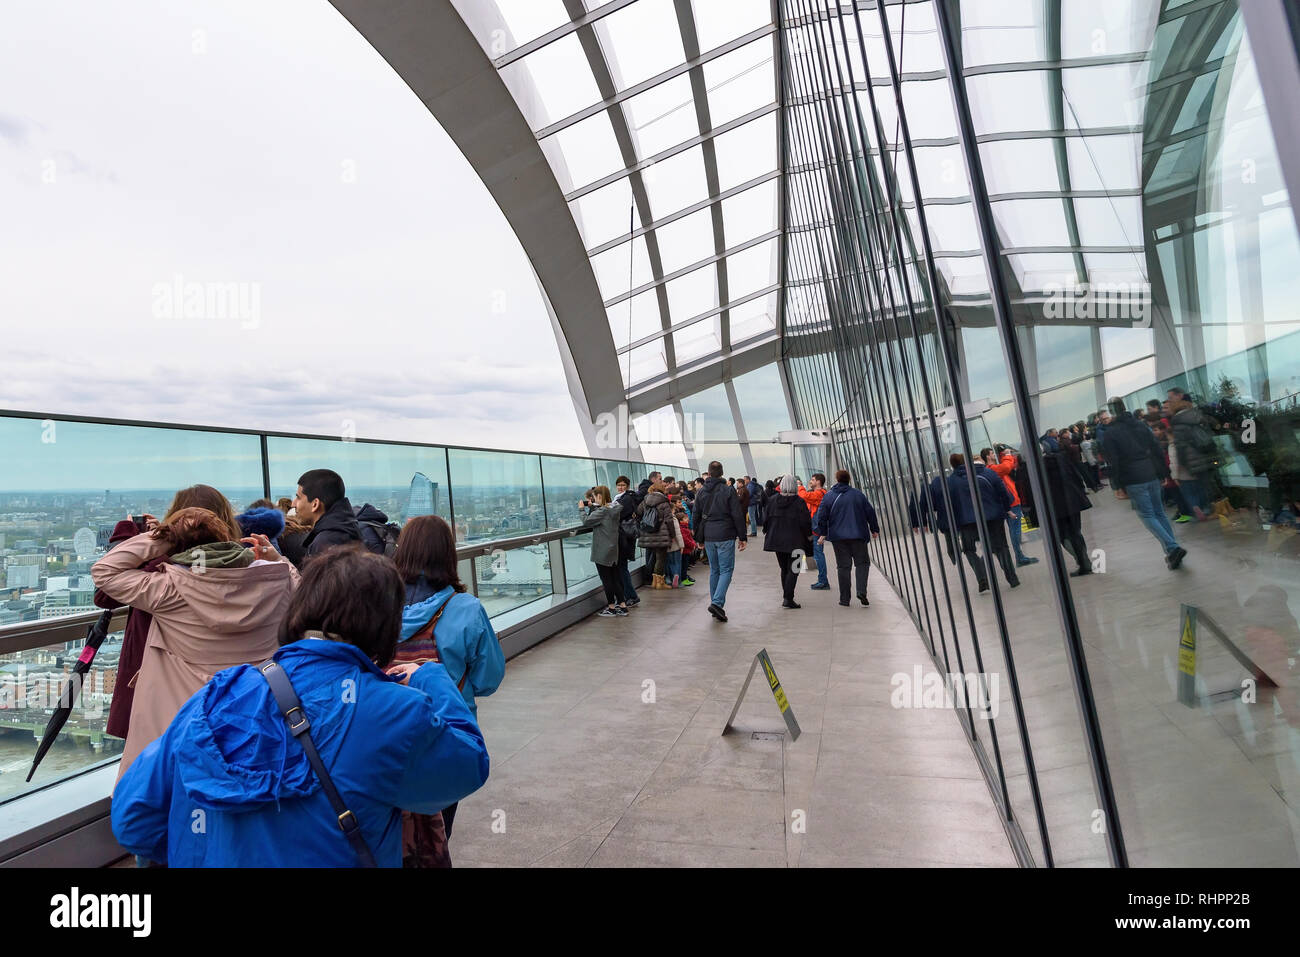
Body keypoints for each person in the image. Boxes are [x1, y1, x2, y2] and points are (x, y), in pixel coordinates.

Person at [110, 547, 489, 868]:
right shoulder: (392, 710)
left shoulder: (215, 697)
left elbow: (133, 821)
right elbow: (466, 768)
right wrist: (431, 678)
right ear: (385, 626)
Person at [92, 506, 300, 785]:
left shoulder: (168, 590)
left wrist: (160, 537)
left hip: (183, 724)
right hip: (255, 721)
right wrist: (280, 560)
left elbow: (105, 571)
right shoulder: (275, 581)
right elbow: (302, 593)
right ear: (225, 538)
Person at [392, 513, 504, 862]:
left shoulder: (377, 604)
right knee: (438, 826)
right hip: (444, 734)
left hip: (384, 729)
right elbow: (488, 679)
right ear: (448, 556)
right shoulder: (466, 609)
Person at [93, 485, 244, 742]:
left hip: (165, 678)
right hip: (231, 683)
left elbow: (104, 594)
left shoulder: (164, 572)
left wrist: (145, 539)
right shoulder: (244, 565)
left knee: (162, 754)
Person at [1100, 396, 1187, 569]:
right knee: (1159, 512)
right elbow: (1155, 447)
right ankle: (1172, 550)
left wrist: (1118, 485)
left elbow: (1114, 460)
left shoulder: (1111, 432)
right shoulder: (1139, 424)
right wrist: (1162, 472)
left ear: (1112, 411)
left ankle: (1172, 547)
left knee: (1147, 515)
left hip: (1133, 477)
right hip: (1151, 472)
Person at [927, 453, 1018, 592]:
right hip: (993, 517)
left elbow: (947, 505)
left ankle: (982, 578)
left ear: (952, 465)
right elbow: (1003, 493)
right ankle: (1012, 578)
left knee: (969, 550)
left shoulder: (950, 481)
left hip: (966, 521)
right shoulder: (988, 473)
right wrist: (1006, 508)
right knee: (1001, 547)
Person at [813, 469, 879, 607]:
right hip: (858, 535)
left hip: (838, 538)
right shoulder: (858, 495)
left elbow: (822, 516)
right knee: (862, 564)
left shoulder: (829, 496)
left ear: (837, 480)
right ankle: (861, 591)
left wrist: (822, 533)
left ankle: (844, 599)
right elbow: (870, 512)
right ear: (849, 480)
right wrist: (874, 529)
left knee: (843, 567)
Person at [692, 460, 748, 621]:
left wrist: (698, 537)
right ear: (722, 474)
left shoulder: (701, 492)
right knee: (726, 571)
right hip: (725, 534)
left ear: (708, 473)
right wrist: (742, 537)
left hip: (709, 535)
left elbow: (696, 515)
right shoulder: (728, 490)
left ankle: (715, 603)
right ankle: (717, 603)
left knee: (715, 570)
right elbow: (737, 514)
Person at [1039, 439, 1094, 576]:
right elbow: (1076, 476)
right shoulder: (1061, 458)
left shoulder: (1036, 468)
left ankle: (1082, 562)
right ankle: (1084, 561)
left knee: (1063, 535)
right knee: (1076, 531)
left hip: (1054, 506)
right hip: (1073, 500)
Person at [1166, 389, 1220, 522]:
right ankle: (1217, 507)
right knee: (1213, 482)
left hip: (1193, 460)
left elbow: (1180, 446)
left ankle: (1207, 509)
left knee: (1202, 486)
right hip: (1209, 453)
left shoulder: (1177, 423)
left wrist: (1184, 464)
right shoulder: (1199, 415)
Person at [982, 446, 1038, 568]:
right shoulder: (992, 468)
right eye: (992, 453)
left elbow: (1008, 466)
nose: (993, 455)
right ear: (987, 456)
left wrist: (1004, 455)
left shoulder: (994, 468)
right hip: (1011, 504)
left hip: (1011, 503)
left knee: (1015, 529)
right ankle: (1019, 557)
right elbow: (1007, 466)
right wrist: (1007, 455)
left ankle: (1020, 556)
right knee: (1015, 530)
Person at [763, 474, 812, 609]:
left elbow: (765, 519)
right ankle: (788, 598)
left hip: (777, 541)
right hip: (797, 541)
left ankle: (787, 596)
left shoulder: (772, 500)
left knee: (784, 568)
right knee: (794, 569)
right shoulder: (799, 502)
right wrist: (809, 536)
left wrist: (766, 530)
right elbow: (806, 522)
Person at [293, 469, 362, 562]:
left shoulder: (324, 544)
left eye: (298, 498)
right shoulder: (347, 530)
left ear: (315, 504)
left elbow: (314, 577)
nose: (293, 504)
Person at [635, 479, 675, 590]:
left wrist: (642, 527)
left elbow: (637, 514)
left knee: (653, 558)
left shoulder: (645, 501)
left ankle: (654, 582)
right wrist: (672, 535)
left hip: (648, 533)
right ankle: (659, 583)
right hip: (661, 534)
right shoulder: (664, 502)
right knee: (660, 559)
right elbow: (669, 520)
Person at [797, 474, 830, 590]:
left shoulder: (820, 493)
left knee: (818, 555)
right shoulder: (820, 493)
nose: (810, 481)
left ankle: (823, 581)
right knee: (817, 555)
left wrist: (799, 486)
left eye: (813, 480)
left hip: (817, 530)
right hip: (816, 529)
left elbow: (803, 496)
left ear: (818, 482)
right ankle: (822, 580)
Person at [612, 476, 641, 606]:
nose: (620, 487)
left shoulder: (626, 499)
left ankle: (631, 596)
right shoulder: (620, 498)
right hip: (625, 537)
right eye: (619, 485)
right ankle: (626, 596)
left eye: (623, 485)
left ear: (627, 486)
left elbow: (616, 514)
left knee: (622, 568)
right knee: (621, 568)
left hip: (623, 537)